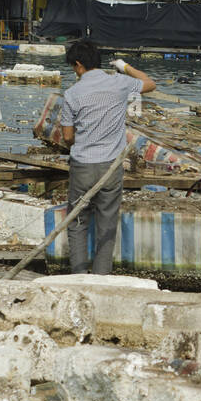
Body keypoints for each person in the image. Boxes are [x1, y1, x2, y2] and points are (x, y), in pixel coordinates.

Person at [60, 40, 155, 274]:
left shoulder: (72, 94)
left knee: (78, 223)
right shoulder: (119, 83)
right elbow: (150, 83)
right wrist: (125, 66)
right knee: (107, 225)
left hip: (82, 165)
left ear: (79, 65)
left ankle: (79, 276)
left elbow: (67, 137)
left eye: (73, 67)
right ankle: (101, 278)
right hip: (110, 169)